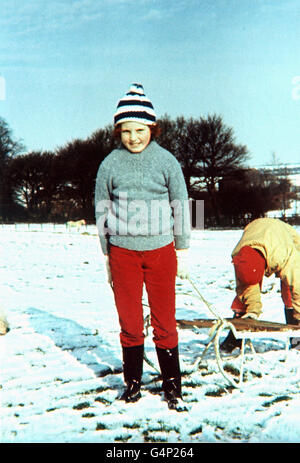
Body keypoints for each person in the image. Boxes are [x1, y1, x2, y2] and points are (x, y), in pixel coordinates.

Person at [95, 83, 190, 409]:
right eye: (126, 131)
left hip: (161, 251)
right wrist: (107, 254)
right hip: (123, 253)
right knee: (131, 322)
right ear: (117, 131)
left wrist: (183, 248)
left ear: (152, 128)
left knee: (165, 320)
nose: (133, 137)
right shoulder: (109, 164)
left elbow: (181, 203)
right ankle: (132, 383)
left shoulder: (166, 161)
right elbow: (101, 209)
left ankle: (172, 385)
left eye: (140, 129)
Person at [221, 217, 300, 353]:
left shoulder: (284, 254)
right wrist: (252, 312)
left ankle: (297, 341)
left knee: (290, 293)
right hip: (255, 231)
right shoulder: (239, 256)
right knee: (244, 294)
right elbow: (246, 287)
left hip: (284, 236)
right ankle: (235, 339)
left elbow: (298, 286)